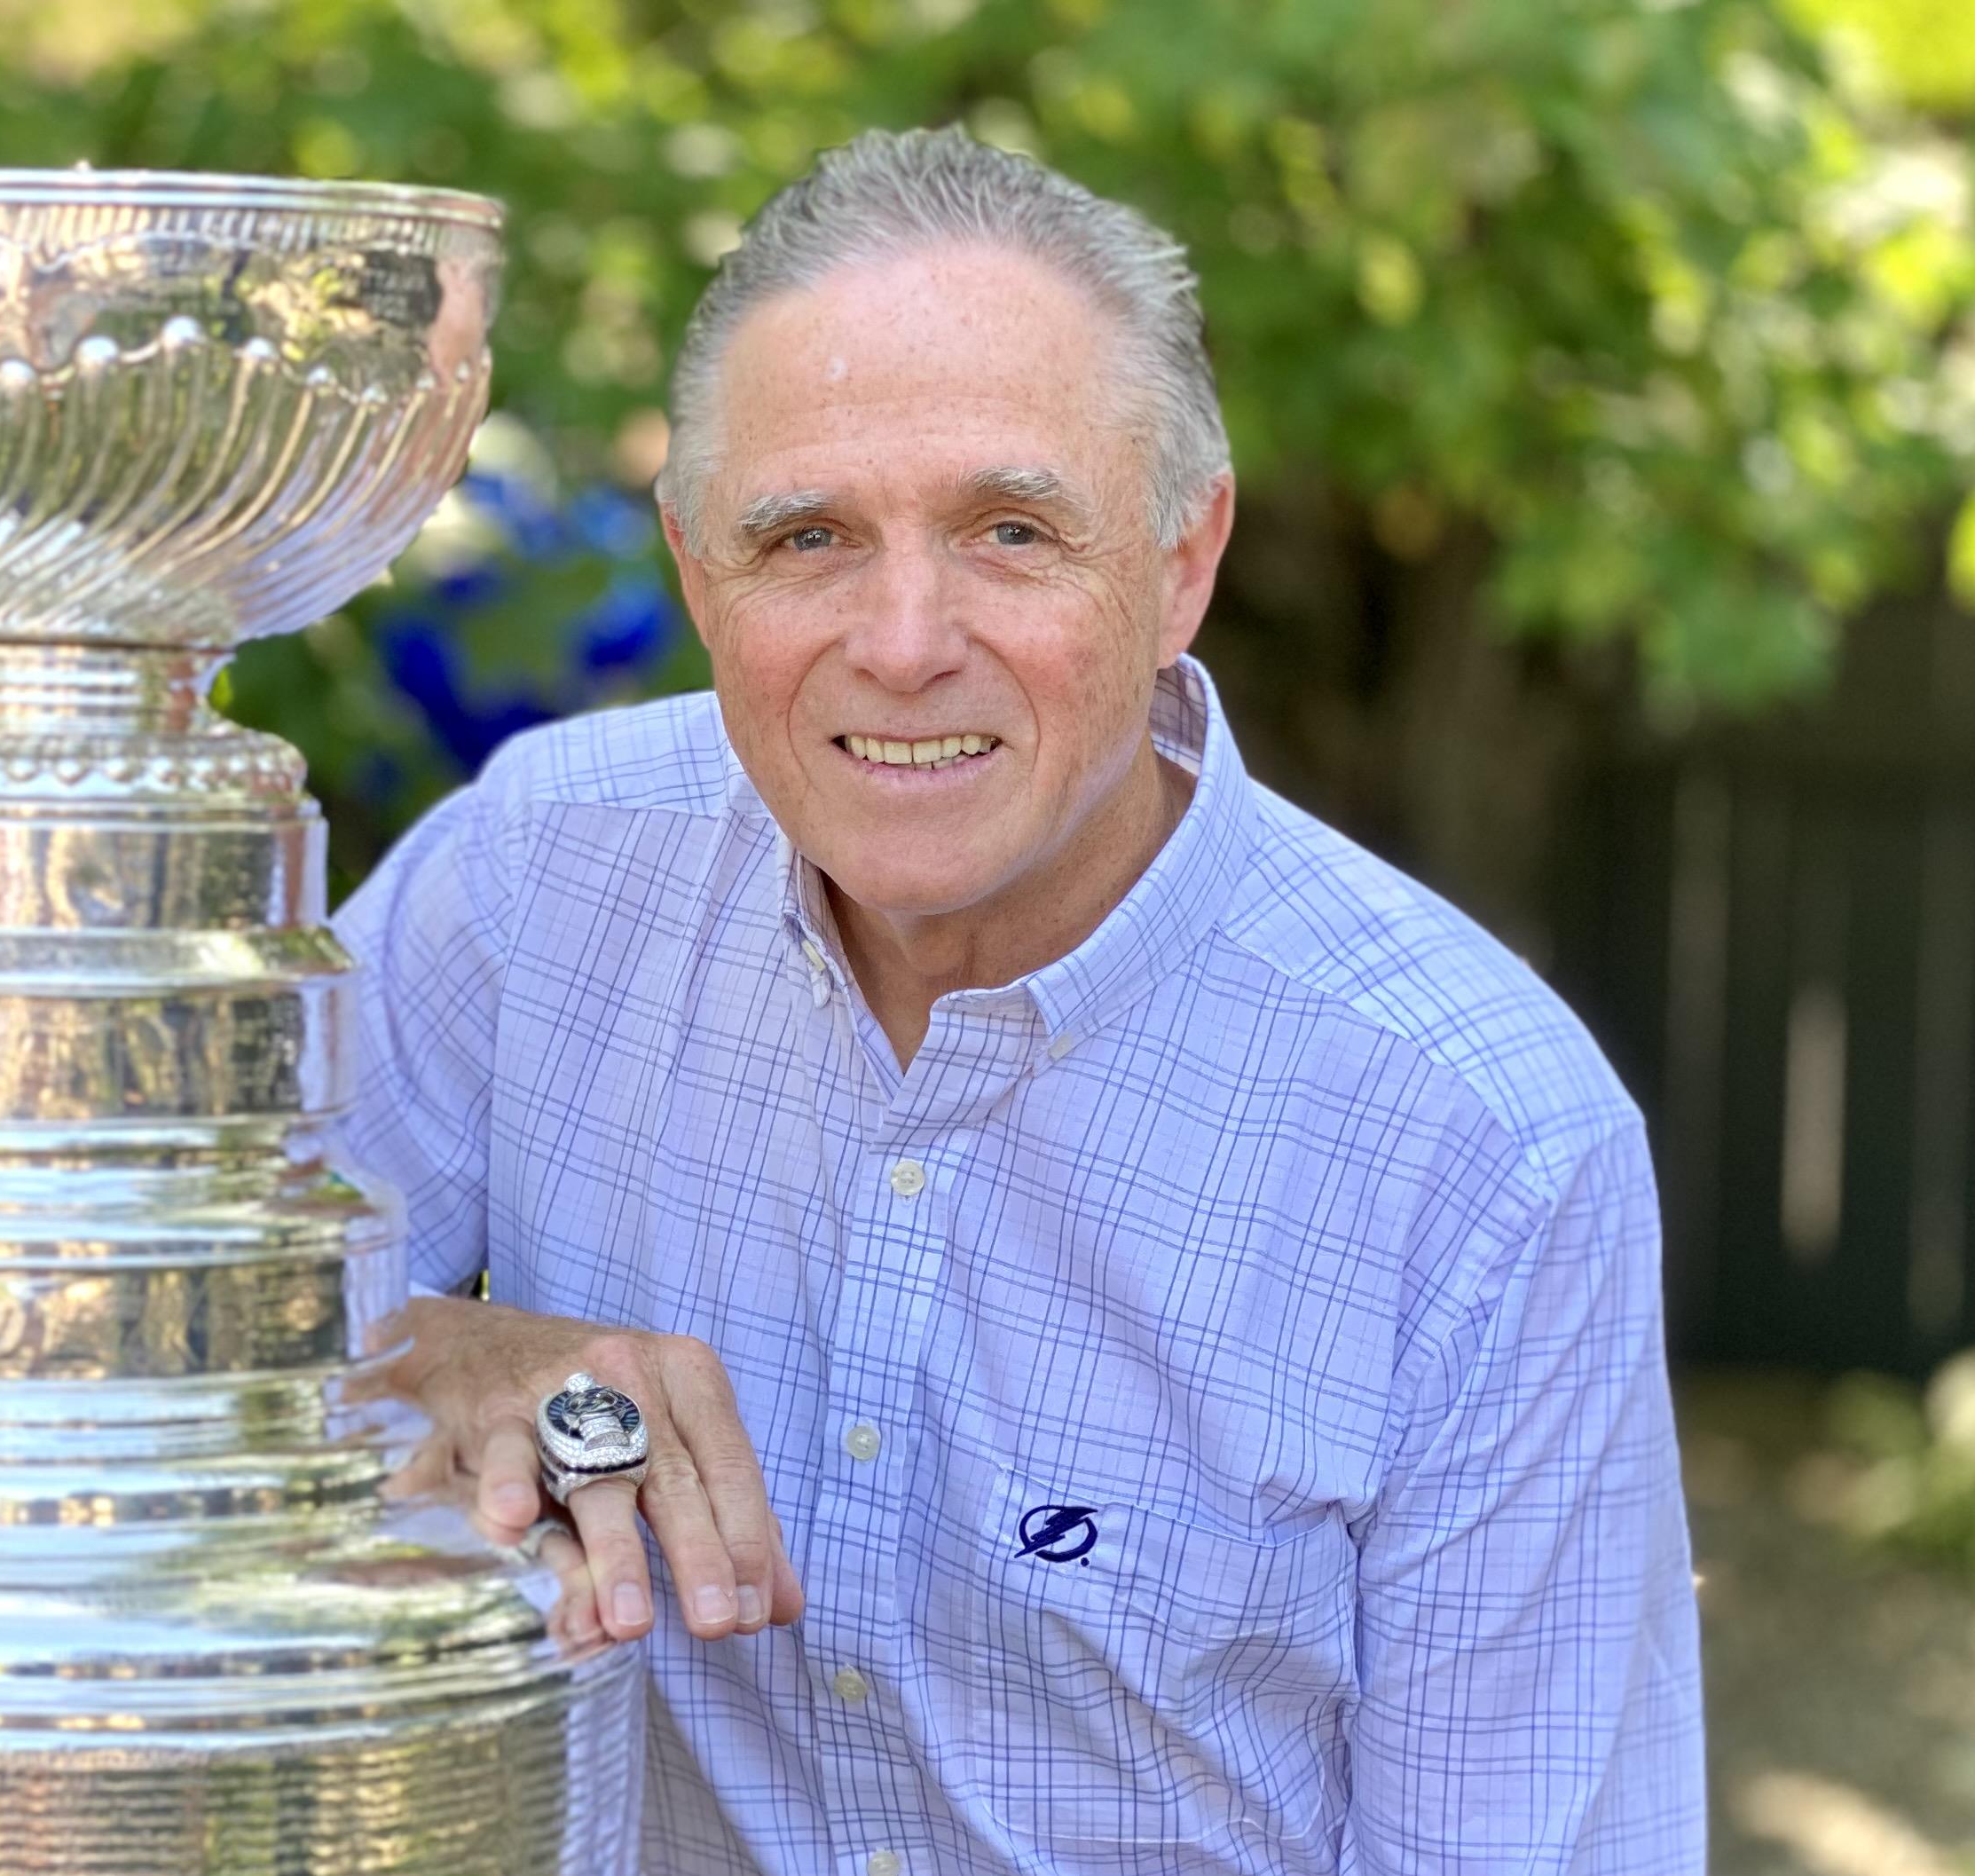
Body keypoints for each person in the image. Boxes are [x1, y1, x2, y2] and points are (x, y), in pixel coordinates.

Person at [340, 126, 1704, 1875]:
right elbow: (83, 1331)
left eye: (1008, 528)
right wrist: (427, 1354)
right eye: (808, 535)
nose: (904, 640)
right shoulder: (539, 875)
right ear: (695, 570)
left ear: (1181, 561)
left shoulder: (1482, 1146)